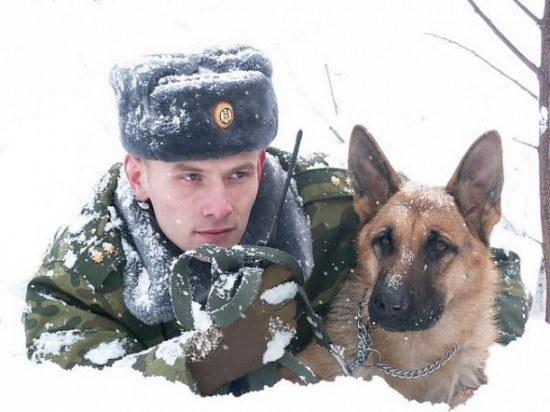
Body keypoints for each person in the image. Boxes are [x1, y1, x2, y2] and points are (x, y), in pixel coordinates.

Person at [23, 45, 530, 396]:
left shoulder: (325, 202)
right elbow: (69, 397)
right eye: (190, 178)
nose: (219, 204)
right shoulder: (79, 282)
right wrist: (205, 360)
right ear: (137, 176)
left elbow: (486, 255)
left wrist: (463, 370)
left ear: (263, 163)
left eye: (239, 172)